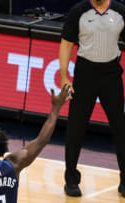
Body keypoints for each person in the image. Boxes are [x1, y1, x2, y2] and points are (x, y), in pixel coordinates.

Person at [59, 0, 125, 197]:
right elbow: (66, 44)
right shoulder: (78, 11)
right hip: (85, 73)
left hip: (111, 75)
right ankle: (71, 180)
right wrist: (64, 77)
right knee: (75, 128)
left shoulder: (120, 11)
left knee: (121, 129)